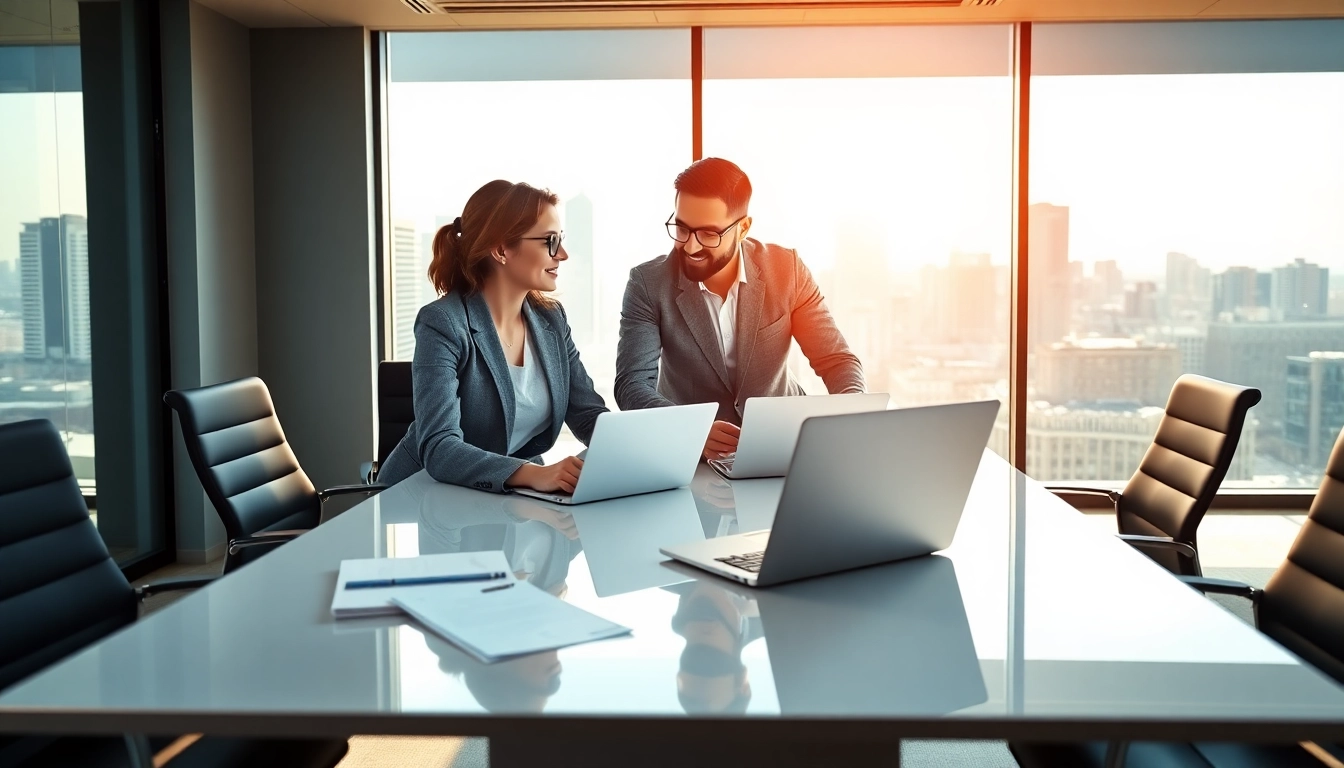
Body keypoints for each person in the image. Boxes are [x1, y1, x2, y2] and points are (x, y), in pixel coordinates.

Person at [615, 158, 864, 462]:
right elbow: (632, 385)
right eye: (682, 228)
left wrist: (854, 418)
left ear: (743, 228)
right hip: (693, 456)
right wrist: (690, 429)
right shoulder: (647, 284)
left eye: (709, 234)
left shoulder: (787, 270)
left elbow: (836, 361)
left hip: (785, 445)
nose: (690, 247)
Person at [377, 180, 607, 493]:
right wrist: (532, 474)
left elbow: (588, 414)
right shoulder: (443, 323)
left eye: (561, 239)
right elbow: (439, 448)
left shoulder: (551, 320)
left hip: (504, 499)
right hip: (421, 497)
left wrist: (638, 451)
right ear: (501, 250)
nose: (562, 254)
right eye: (550, 241)